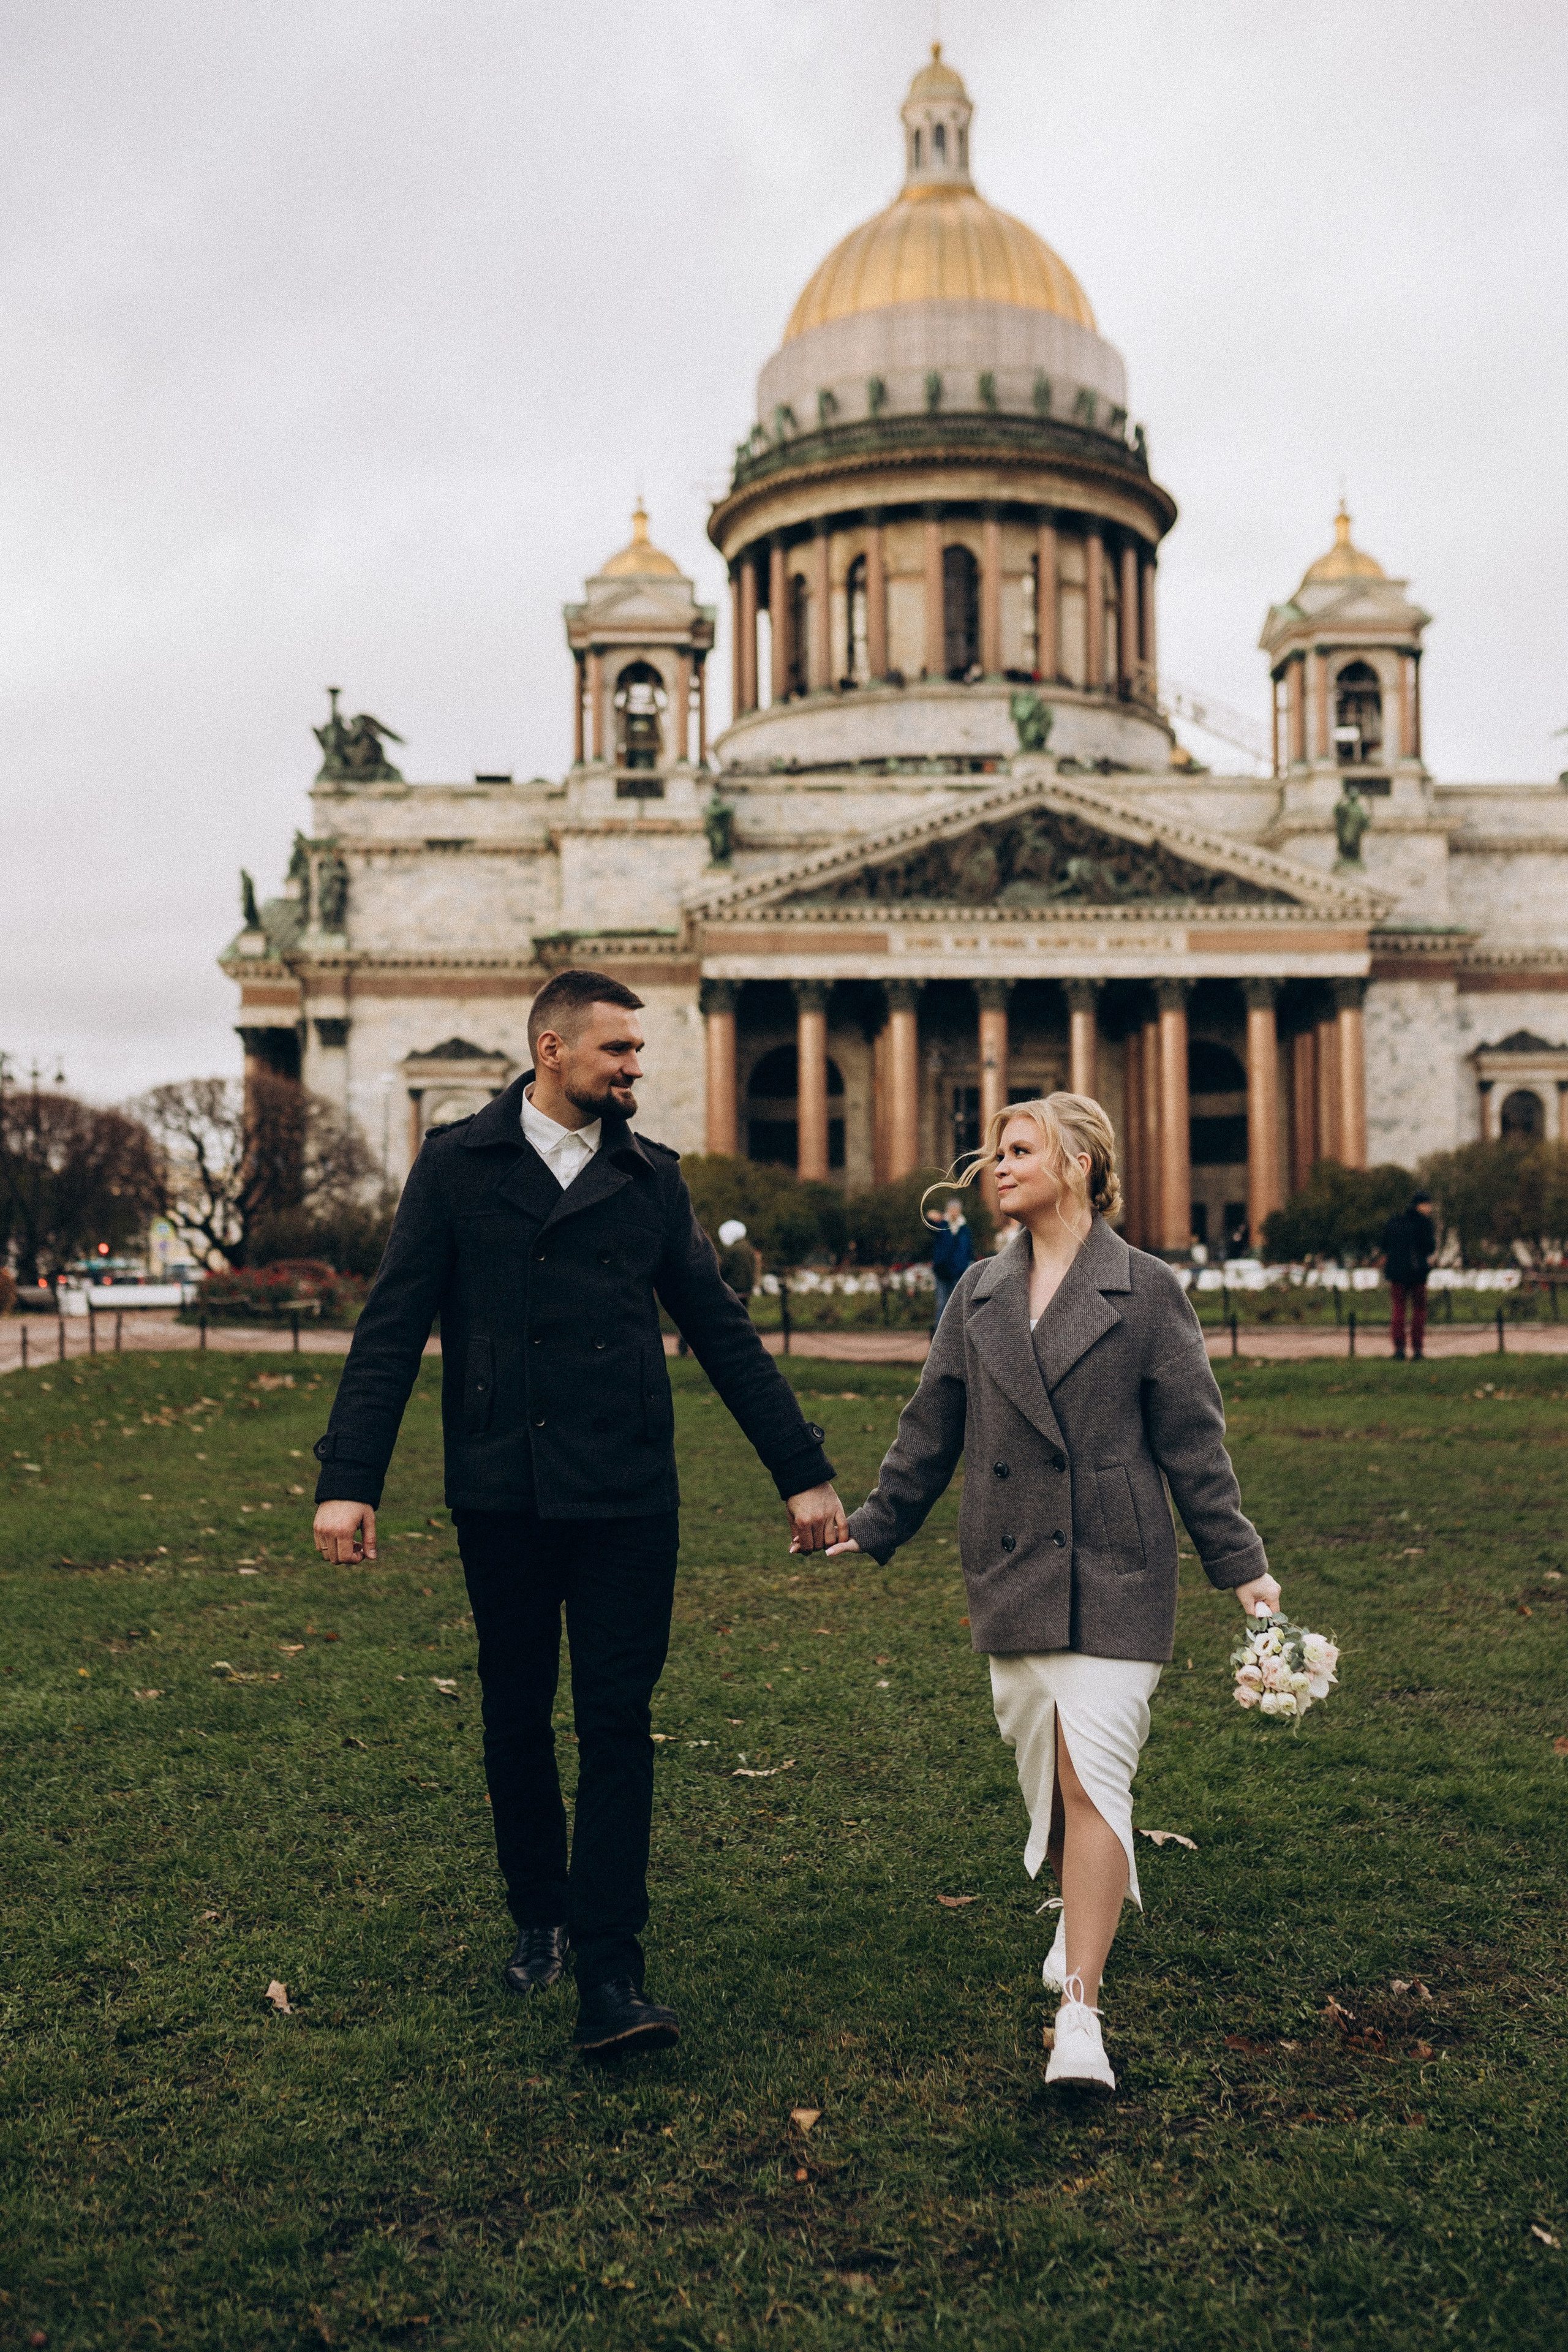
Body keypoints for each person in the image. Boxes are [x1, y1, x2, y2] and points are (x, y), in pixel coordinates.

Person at [311, 969, 847, 2057]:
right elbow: (390, 1327)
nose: (635, 1068)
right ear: (552, 1052)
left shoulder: (650, 1179)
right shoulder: (459, 1166)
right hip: (502, 1492)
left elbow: (721, 1328)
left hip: (628, 1495)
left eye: (638, 1052)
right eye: (618, 1052)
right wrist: (349, 1477)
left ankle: (611, 1969)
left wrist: (802, 1471)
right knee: (515, 1717)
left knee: (616, 1726)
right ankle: (538, 1913)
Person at [823, 1095, 1278, 2091]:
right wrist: (876, 1524)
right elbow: (930, 1428)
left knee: (1092, 1781)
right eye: (994, 1150)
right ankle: (1083, 1917)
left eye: (1020, 1148)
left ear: (1076, 1163)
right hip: (1010, 1565)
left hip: (1118, 1565)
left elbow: (1194, 1446)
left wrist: (1241, 1567)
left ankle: (1082, 2015)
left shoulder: (1149, 1291)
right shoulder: (979, 1292)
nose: (997, 1164)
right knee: (1055, 1789)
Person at [1381, 1189, 1437, 1360]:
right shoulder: (1424, 1224)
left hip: (1397, 1273)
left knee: (1399, 1309)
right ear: (1420, 1206)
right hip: (1417, 1272)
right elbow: (1430, 1248)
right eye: (1428, 1205)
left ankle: (1399, 1348)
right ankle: (1417, 1349)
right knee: (1419, 1310)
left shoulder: (1395, 1222)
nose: (1430, 1208)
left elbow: (1385, 1245)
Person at [929, 1194, 975, 1324]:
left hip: (958, 1271)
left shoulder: (965, 1229)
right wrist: (931, 1215)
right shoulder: (942, 1225)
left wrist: (968, 1264)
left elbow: (968, 1249)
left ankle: (957, 1334)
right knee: (942, 1304)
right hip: (942, 1271)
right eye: (952, 1208)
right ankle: (939, 1335)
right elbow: (929, 1223)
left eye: (956, 1209)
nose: (954, 1211)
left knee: (958, 1306)